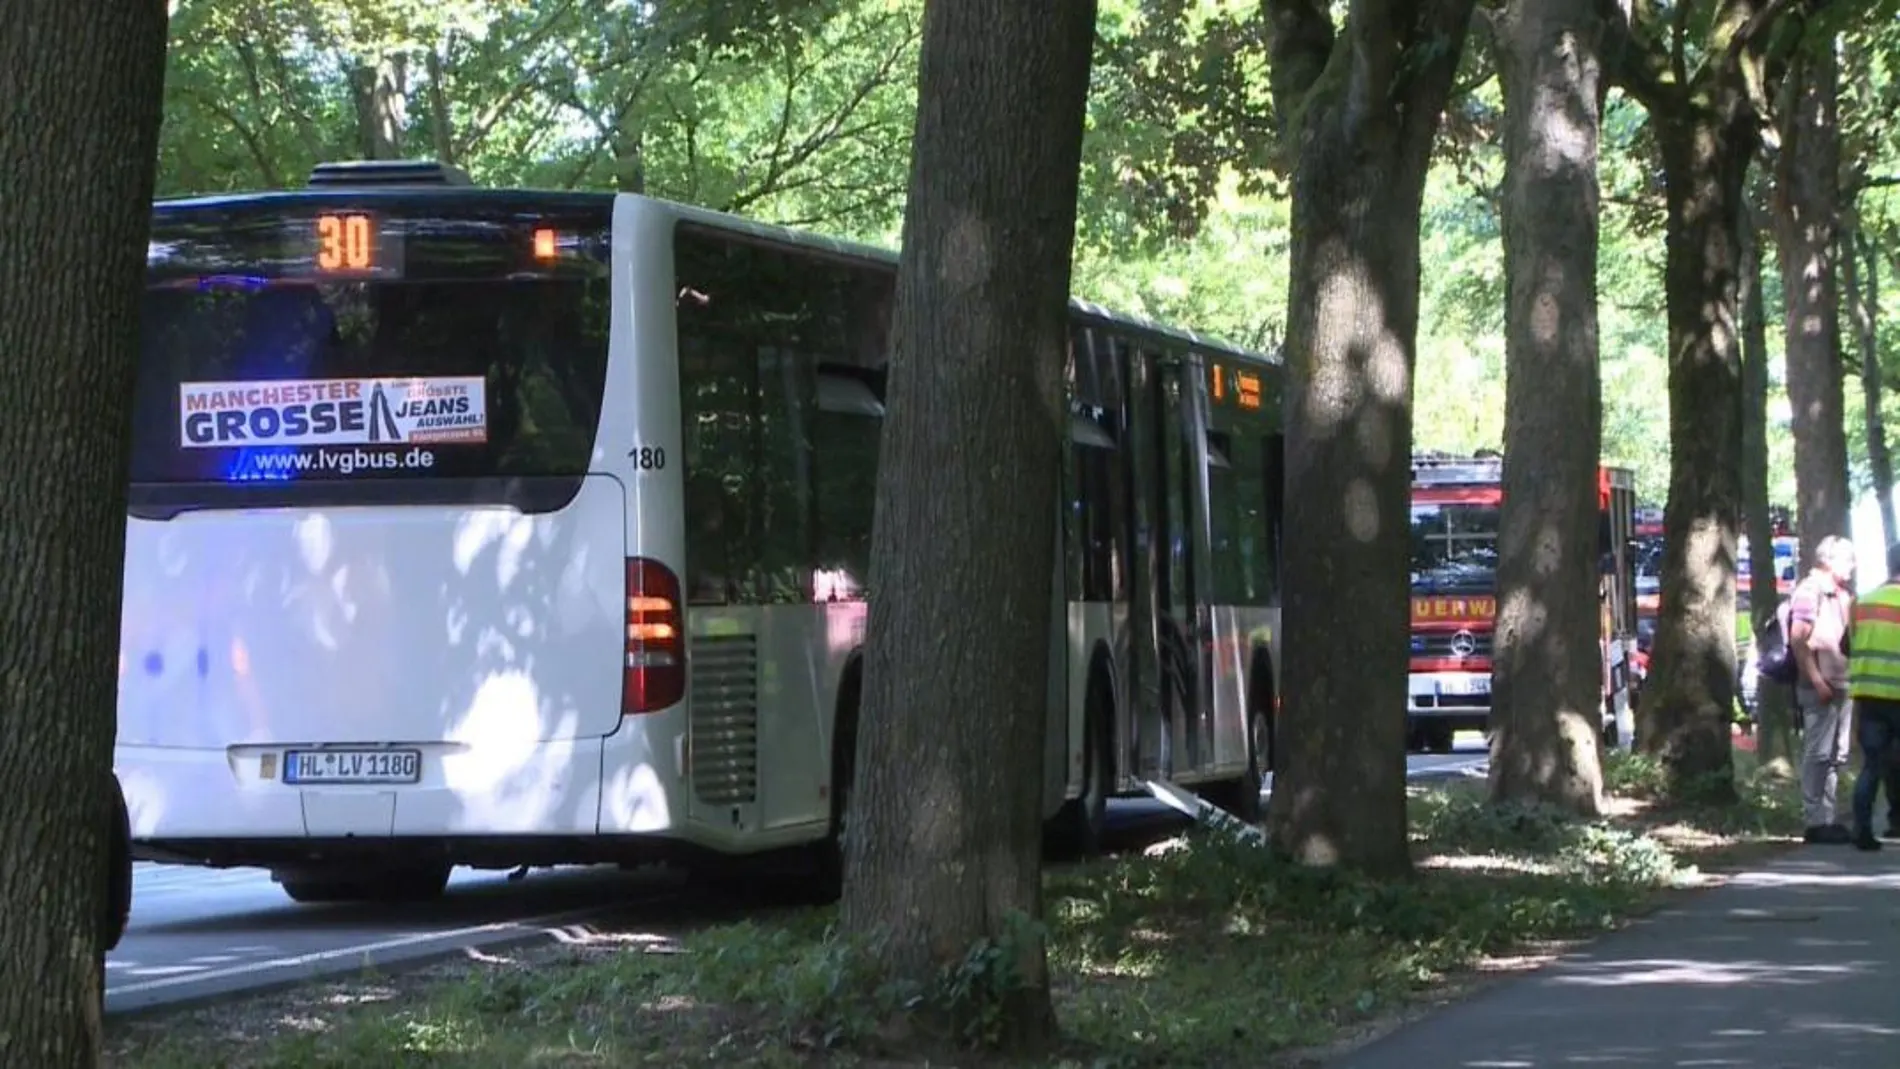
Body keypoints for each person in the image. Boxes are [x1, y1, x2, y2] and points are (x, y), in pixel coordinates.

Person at [1789, 535, 1857, 844]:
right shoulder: (1809, 591)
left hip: (1842, 682)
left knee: (1837, 753)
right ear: (1828, 560)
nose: (1853, 566)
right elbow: (1798, 639)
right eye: (1848, 559)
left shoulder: (1841, 594)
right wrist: (1816, 679)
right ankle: (1814, 819)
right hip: (1821, 685)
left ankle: (1829, 819)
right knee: (1817, 752)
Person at [1846, 540, 1900, 850]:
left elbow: (1845, 646)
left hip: (1869, 695)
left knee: (1872, 764)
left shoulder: (1862, 602)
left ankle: (1862, 830)